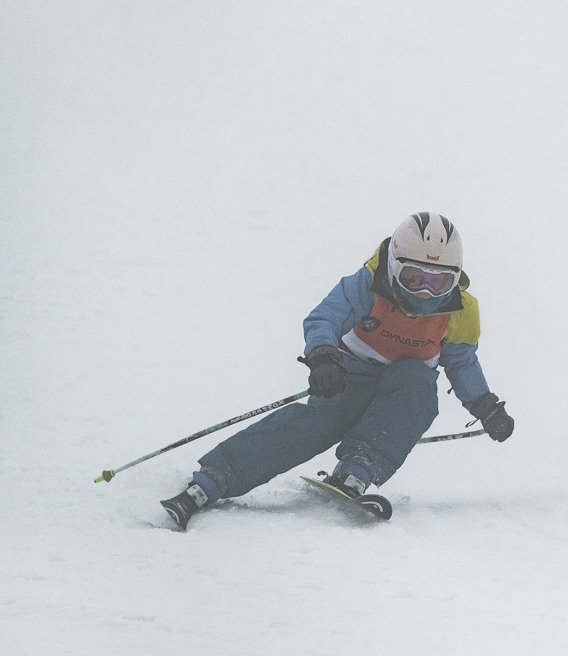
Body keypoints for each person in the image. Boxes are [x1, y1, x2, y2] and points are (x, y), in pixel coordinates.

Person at [159, 212, 513, 530]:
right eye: (414, 278)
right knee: (314, 425)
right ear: (394, 267)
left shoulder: (461, 312)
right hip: (350, 377)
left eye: (438, 282)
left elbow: (461, 363)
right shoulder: (368, 284)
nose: (424, 291)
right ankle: (213, 480)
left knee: (417, 385)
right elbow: (325, 318)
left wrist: (485, 406)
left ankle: (357, 471)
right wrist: (324, 359)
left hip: (404, 392)